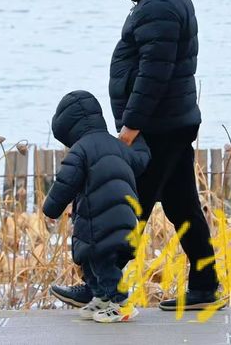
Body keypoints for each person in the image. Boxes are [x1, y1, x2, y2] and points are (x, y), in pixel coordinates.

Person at [53, 0, 222, 312]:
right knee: (183, 207)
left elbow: (154, 73)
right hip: (173, 121)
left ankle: (100, 286)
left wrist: (132, 125)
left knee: (128, 207)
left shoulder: (158, 5)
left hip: (157, 127)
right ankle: (205, 285)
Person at [42, 90, 151, 323]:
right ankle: (102, 298)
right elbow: (141, 159)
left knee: (103, 264)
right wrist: (139, 137)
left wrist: (51, 208)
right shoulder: (118, 145)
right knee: (93, 262)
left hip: (98, 222)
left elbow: (65, 183)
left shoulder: (80, 150)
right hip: (125, 218)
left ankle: (121, 304)